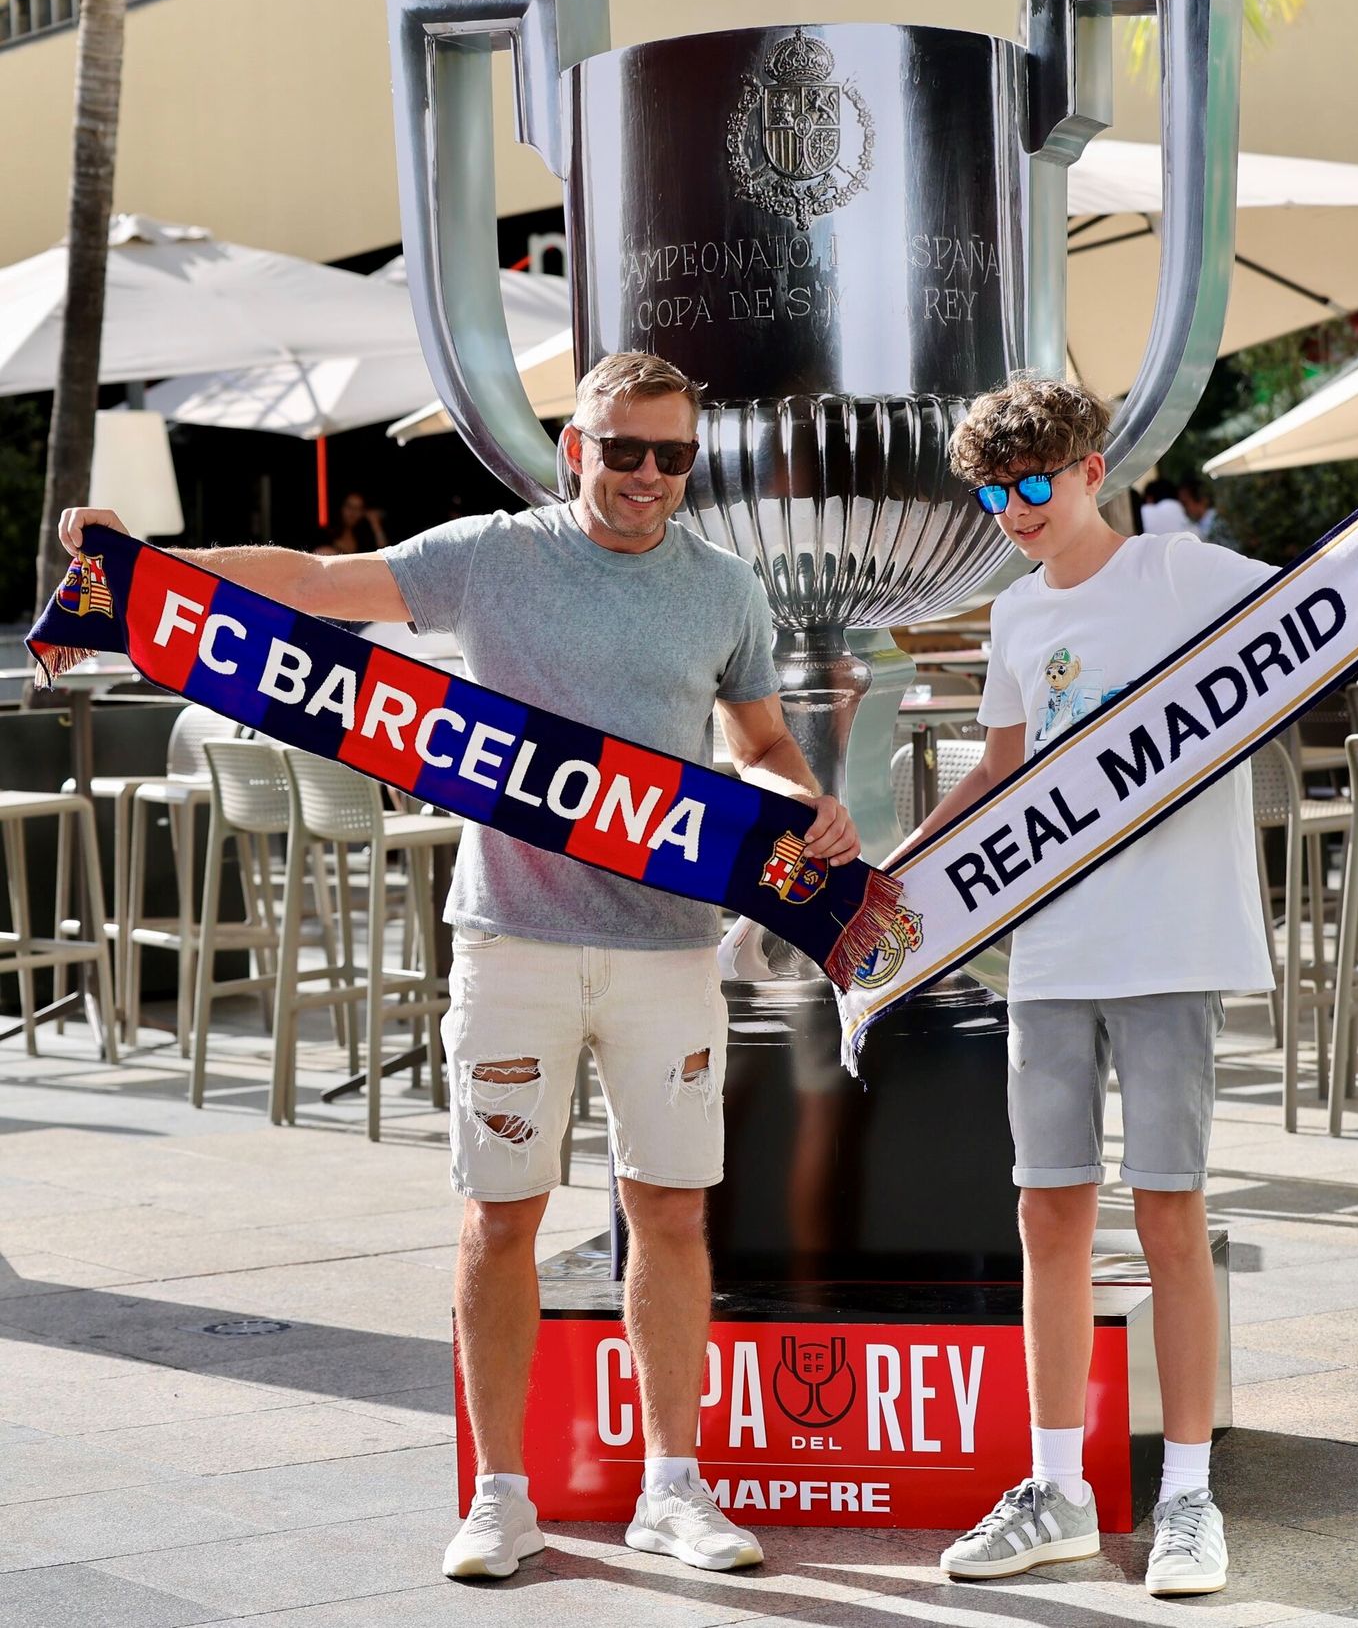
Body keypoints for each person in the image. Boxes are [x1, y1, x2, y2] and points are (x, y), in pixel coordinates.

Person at [60, 350, 860, 1584]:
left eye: (672, 455)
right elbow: (316, 584)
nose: (647, 475)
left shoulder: (724, 586)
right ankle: (501, 1498)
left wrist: (797, 800)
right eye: (622, 449)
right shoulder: (493, 555)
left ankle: (672, 1490)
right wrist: (144, 568)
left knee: (669, 1213)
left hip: (667, 949)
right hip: (512, 940)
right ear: (574, 448)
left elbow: (755, 739)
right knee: (499, 1219)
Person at [890, 374, 1358, 1599]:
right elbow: (1000, 771)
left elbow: (1344, 595)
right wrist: (896, 876)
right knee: (1046, 1217)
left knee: (1168, 1214)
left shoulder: (1180, 574)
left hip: (1171, 947)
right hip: (1052, 955)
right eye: (992, 495)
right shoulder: (1016, 613)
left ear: (1091, 471)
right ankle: (1056, 1488)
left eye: (1032, 484)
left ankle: (1188, 1497)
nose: (1015, 511)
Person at [314, 489, 388, 555]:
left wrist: (376, 525)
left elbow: (385, 555)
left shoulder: (365, 537)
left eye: (358, 508)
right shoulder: (326, 534)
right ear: (341, 507)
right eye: (349, 506)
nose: (353, 512)